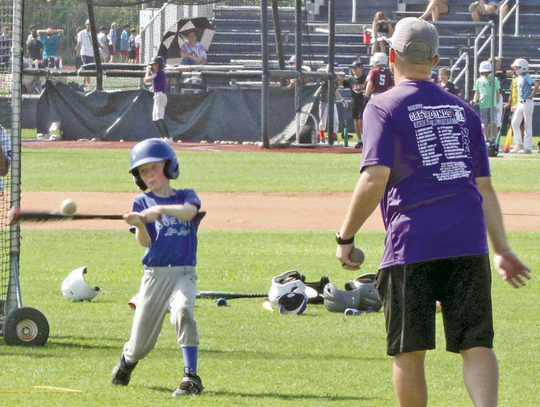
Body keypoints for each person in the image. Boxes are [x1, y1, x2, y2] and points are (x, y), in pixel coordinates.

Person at [336, 17, 531, 407]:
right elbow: (484, 187)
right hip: (468, 241)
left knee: (409, 349)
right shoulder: (463, 110)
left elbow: (375, 178)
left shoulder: (383, 105)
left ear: (392, 55)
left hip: (413, 241)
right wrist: (501, 249)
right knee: (476, 343)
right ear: (436, 59)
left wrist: (345, 238)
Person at [111, 138, 204, 397]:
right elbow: (146, 242)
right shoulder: (140, 202)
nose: (149, 175)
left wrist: (160, 208)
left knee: (183, 311)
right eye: (143, 171)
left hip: (183, 273)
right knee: (141, 345)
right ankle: (127, 360)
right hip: (154, 276)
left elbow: (188, 212)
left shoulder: (186, 195)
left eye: (154, 167)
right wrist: (140, 223)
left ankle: (191, 377)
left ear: (169, 166)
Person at [509, 58, 539, 154]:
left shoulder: (527, 77)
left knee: (527, 125)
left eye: (517, 67)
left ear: (523, 67)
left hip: (527, 103)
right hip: (520, 102)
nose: (515, 69)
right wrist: (516, 105)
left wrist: (532, 95)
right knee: (514, 123)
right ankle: (519, 144)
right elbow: (520, 94)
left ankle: (527, 147)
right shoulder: (520, 78)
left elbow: (536, 84)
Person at [316, 63, 346, 144]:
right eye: (336, 70)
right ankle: (321, 137)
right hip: (324, 101)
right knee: (323, 120)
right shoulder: (325, 78)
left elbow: (336, 90)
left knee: (336, 120)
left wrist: (342, 99)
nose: (337, 71)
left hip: (332, 102)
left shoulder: (335, 79)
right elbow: (318, 71)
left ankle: (334, 136)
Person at [472, 60, 500, 141]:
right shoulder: (479, 81)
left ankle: (494, 139)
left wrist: (497, 103)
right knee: (485, 123)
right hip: (483, 104)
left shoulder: (494, 79)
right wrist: (474, 100)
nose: (486, 73)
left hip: (492, 104)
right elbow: (477, 92)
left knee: (494, 123)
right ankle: (486, 138)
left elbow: (497, 92)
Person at [342, 60, 366, 149]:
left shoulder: (365, 78)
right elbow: (343, 83)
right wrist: (337, 77)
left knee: (361, 120)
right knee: (356, 121)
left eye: (355, 68)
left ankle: (365, 139)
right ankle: (360, 140)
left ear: (361, 68)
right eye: (353, 68)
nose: (354, 70)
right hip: (354, 102)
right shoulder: (351, 79)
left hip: (363, 102)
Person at [145, 56, 170, 139]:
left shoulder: (160, 73)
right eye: (153, 65)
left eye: (155, 65)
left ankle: (167, 137)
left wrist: (148, 71)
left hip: (160, 96)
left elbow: (147, 79)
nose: (153, 67)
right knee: (155, 118)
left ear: (160, 65)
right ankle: (163, 137)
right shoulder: (157, 73)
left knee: (159, 117)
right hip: (157, 96)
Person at [76, 20, 95, 88]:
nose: (88, 26)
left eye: (89, 24)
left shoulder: (93, 33)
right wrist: (77, 51)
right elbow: (79, 43)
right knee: (86, 69)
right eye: (87, 24)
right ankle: (89, 84)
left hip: (91, 53)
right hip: (84, 53)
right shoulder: (81, 33)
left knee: (89, 70)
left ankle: (83, 82)